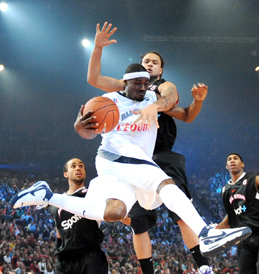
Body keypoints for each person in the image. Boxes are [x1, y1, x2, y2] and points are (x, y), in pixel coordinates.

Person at [10, 64, 251, 259]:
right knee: (165, 183)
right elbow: (88, 132)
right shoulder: (108, 101)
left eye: (146, 83)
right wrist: (79, 127)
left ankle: (47, 196)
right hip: (115, 153)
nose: (143, 87)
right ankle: (206, 233)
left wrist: (156, 104)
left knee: (115, 212)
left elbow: (171, 97)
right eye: (138, 83)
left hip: (128, 166)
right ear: (125, 83)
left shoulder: (150, 98)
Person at [87, 22, 211, 274]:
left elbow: (181, 108)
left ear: (161, 68)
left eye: (154, 61)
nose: (149, 64)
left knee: (180, 210)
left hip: (162, 154)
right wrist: (97, 48)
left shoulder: (160, 89)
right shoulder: (126, 88)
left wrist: (191, 102)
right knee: (138, 223)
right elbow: (94, 79)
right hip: (130, 157)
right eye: (146, 61)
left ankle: (203, 265)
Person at [217, 153, 259, 274]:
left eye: (235, 158)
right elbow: (231, 215)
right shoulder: (225, 190)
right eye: (229, 159)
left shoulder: (254, 178)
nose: (232, 161)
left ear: (242, 164)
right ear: (226, 166)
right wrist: (218, 228)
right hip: (244, 240)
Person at [47, 158, 107, 274]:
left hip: (90, 256)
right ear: (66, 174)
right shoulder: (57, 201)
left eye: (81, 166)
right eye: (73, 166)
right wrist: (59, 249)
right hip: (65, 261)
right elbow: (60, 229)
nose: (78, 168)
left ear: (84, 173)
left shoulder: (93, 194)